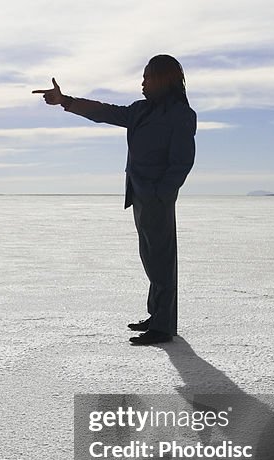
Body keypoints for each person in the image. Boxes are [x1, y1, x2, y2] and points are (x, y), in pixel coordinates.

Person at [33, 54, 196, 345]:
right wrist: (65, 101)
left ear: (163, 79)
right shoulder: (140, 111)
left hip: (157, 197)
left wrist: (162, 193)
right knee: (151, 259)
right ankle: (157, 315)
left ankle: (163, 326)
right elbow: (104, 111)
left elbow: (182, 162)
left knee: (162, 260)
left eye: (147, 77)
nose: (142, 82)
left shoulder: (180, 115)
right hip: (139, 194)